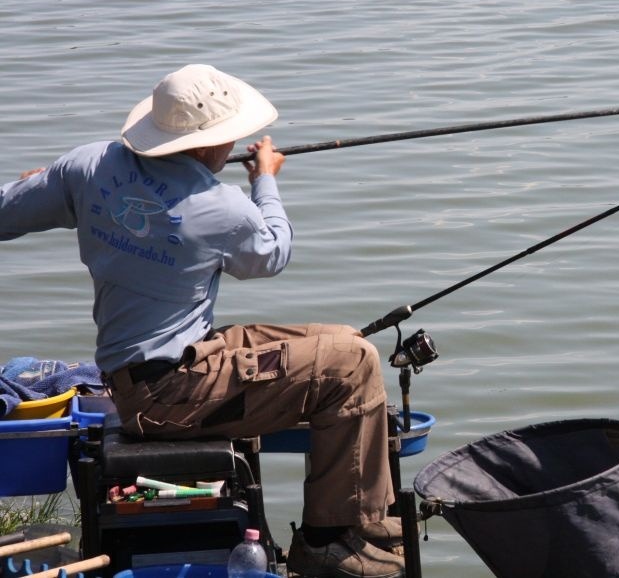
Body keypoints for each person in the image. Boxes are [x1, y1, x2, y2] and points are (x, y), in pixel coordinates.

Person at [0, 64, 404, 578]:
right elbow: (272, 252)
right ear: (213, 144)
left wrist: (37, 184)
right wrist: (265, 182)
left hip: (145, 371)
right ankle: (333, 541)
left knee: (344, 341)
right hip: (167, 395)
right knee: (353, 365)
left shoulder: (87, 166)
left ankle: (346, 527)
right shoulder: (222, 207)